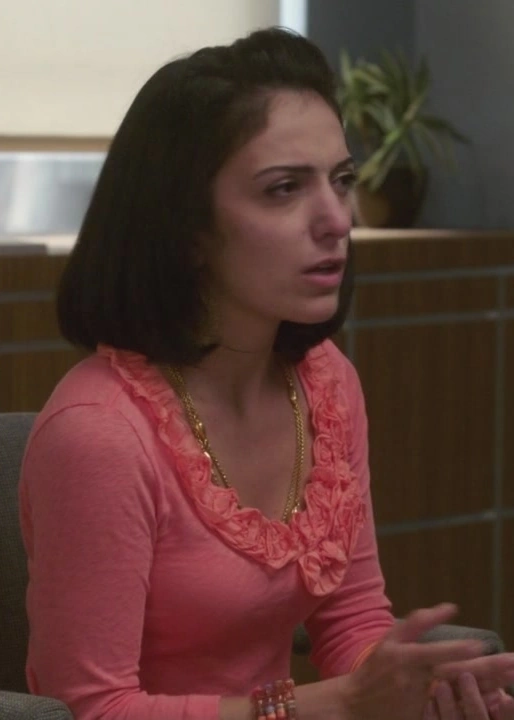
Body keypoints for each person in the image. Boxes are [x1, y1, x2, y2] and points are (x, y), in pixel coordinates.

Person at [19, 27, 514, 720]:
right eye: (284, 189)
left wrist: (415, 687)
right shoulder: (98, 435)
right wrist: (328, 706)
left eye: (342, 181)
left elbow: (350, 623)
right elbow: (91, 709)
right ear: (187, 228)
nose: (337, 219)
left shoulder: (326, 384)